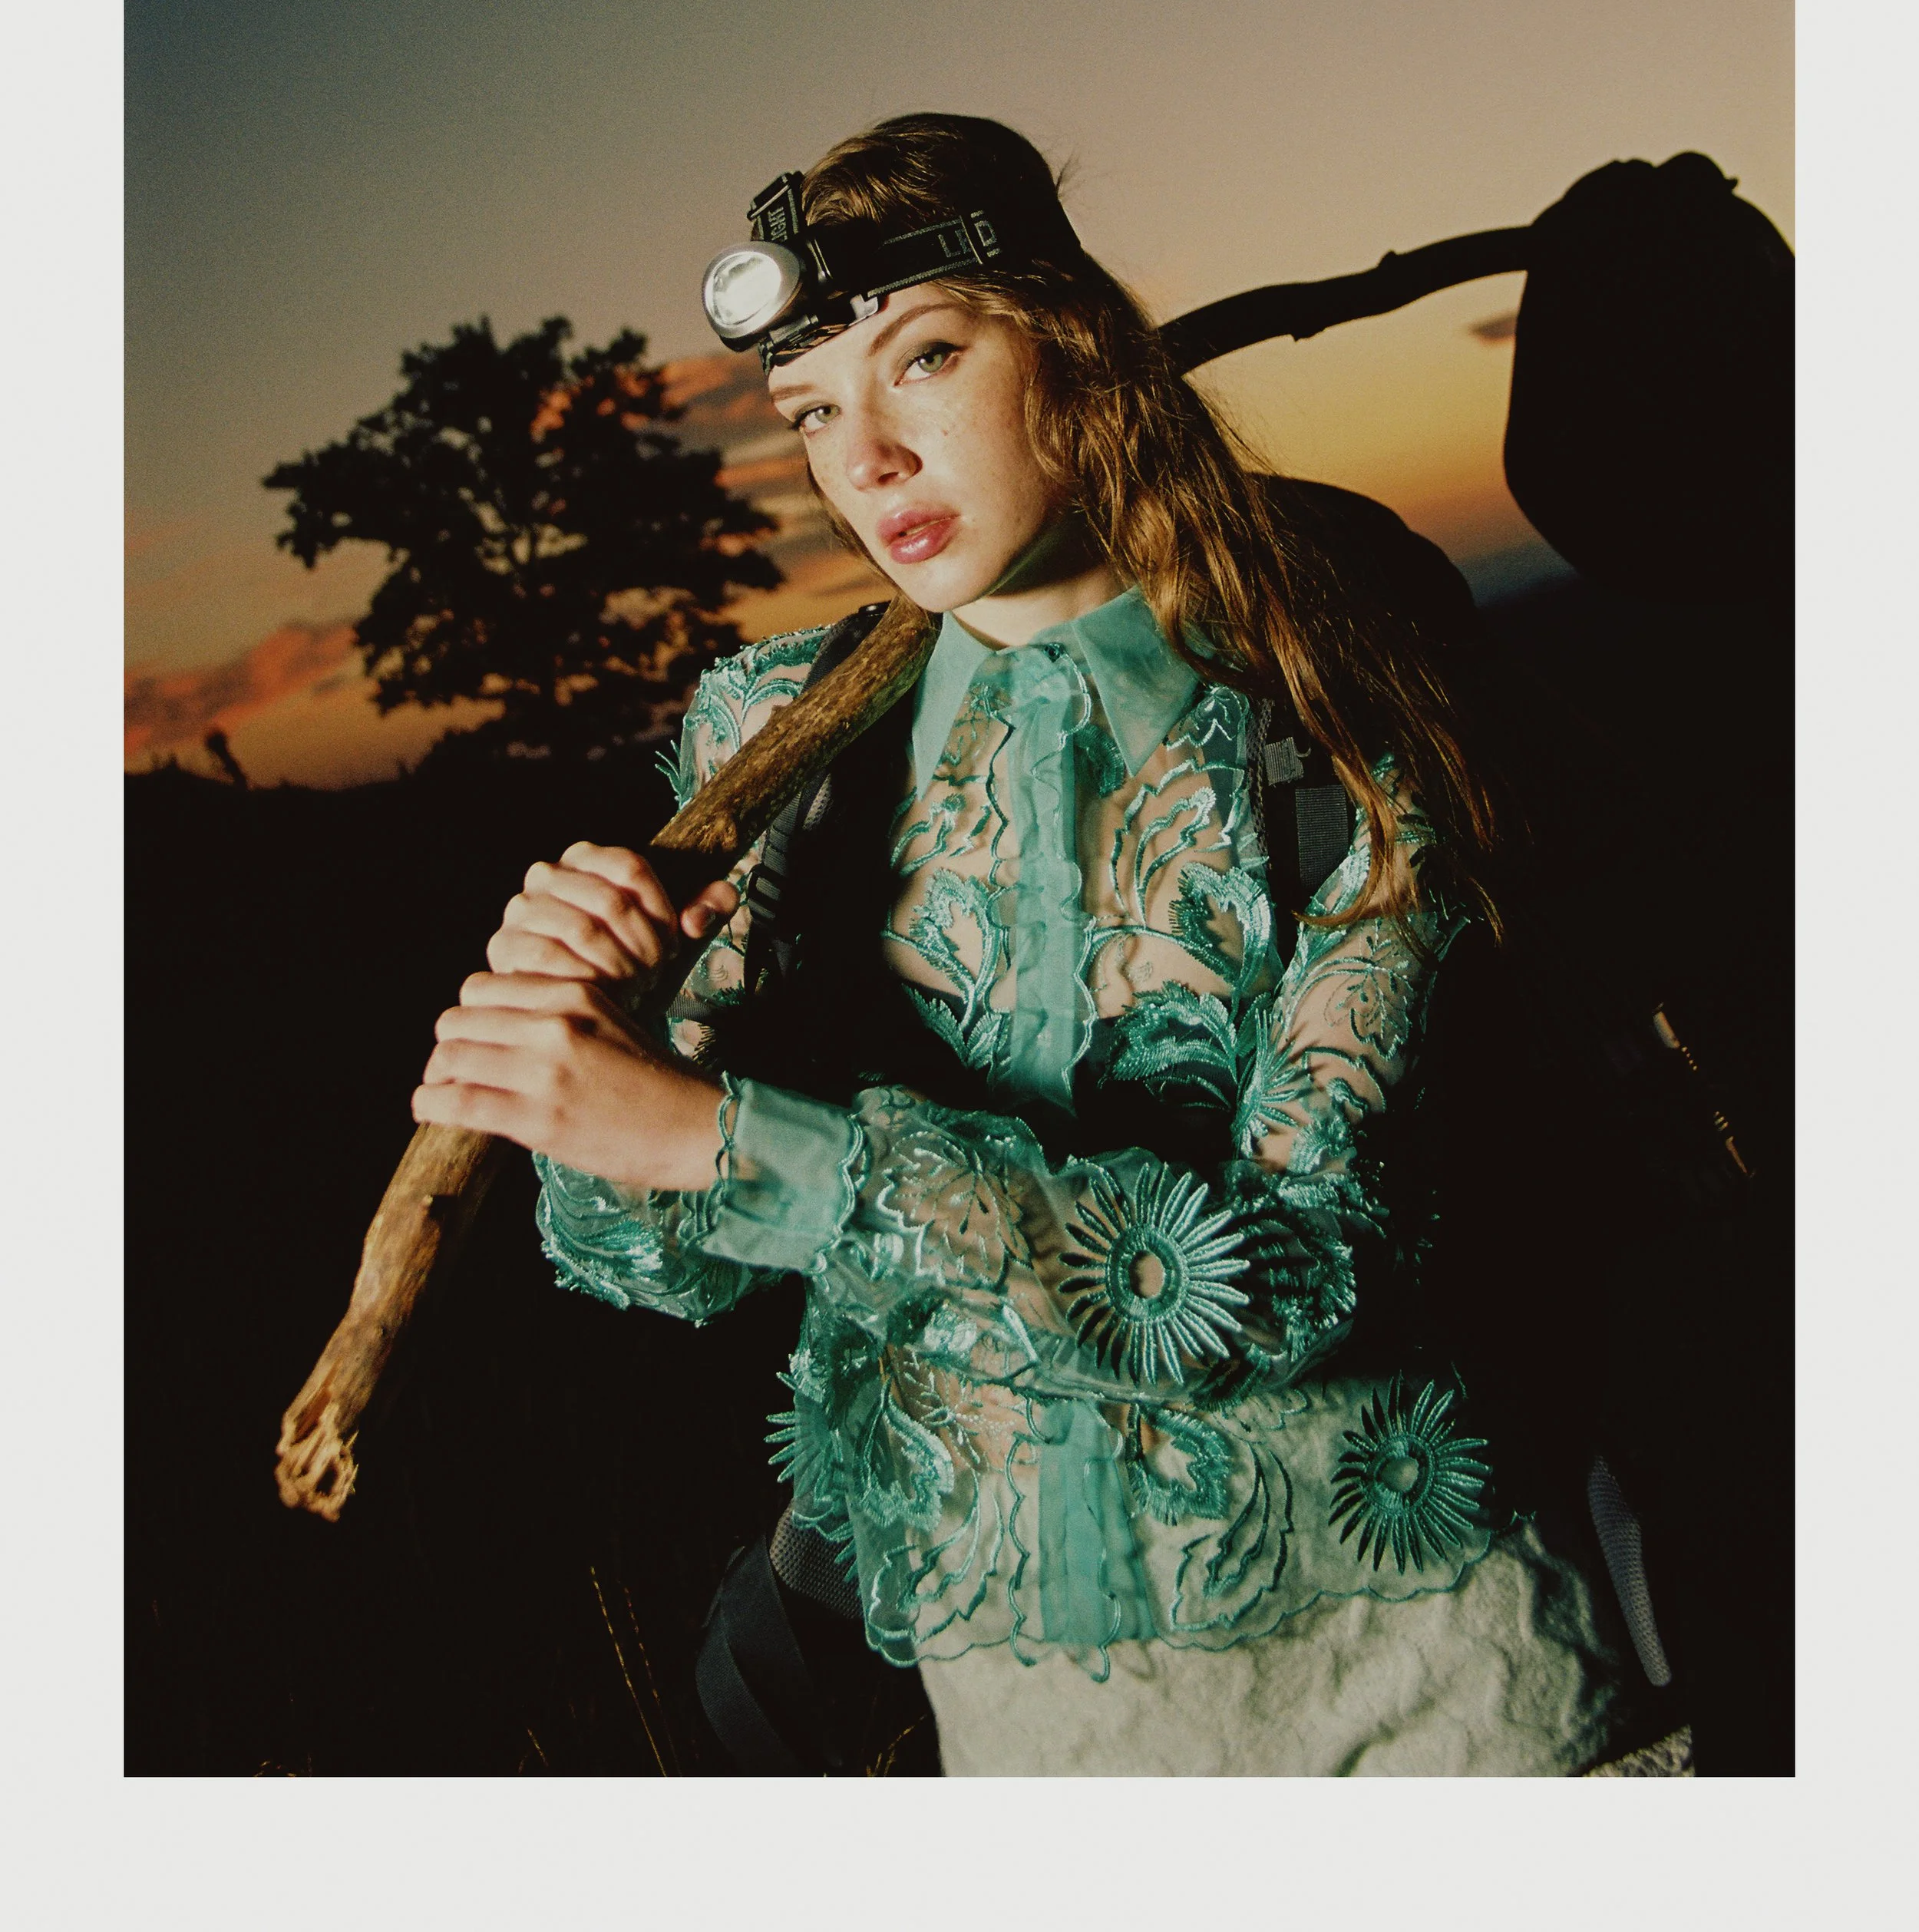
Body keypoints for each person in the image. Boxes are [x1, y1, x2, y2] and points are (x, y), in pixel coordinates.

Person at [413, 112, 1649, 1775]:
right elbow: (657, 1261)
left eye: (922, 358)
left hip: (1429, 1691)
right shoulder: (775, 747)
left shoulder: (1325, 703)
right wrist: (612, 1055)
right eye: (812, 411)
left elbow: (1295, 1276)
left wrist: (735, 1137)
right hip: (1022, 1726)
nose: (867, 460)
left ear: (1072, 348)